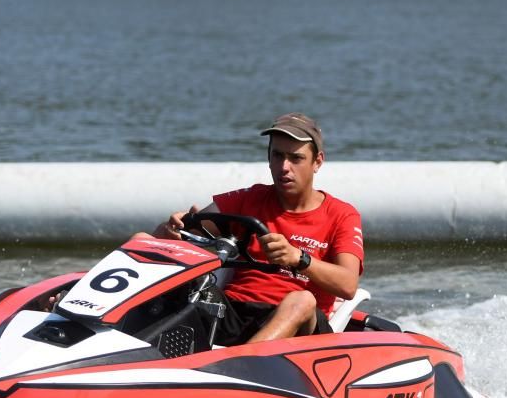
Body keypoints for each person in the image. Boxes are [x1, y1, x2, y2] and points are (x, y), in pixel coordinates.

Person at [153, 112, 364, 345]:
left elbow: (348, 285)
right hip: (233, 313)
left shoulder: (342, 215)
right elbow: (184, 233)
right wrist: (171, 229)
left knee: (301, 300)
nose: (284, 167)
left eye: (296, 158)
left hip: (300, 326)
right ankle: (117, 349)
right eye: (277, 156)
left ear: (317, 162)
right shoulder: (249, 198)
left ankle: (235, 368)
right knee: (143, 242)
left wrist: (299, 258)